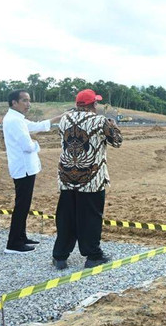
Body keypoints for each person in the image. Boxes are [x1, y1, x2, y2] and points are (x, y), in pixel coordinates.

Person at [52, 89, 123, 270]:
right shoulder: (100, 121)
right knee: (90, 218)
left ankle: (60, 256)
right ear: (93, 104)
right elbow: (117, 141)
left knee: (66, 217)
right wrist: (112, 125)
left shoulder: (64, 119)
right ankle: (93, 255)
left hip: (67, 176)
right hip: (92, 178)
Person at [2, 90, 62, 254]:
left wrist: (57, 118)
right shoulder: (14, 121)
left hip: (24, 168)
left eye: (29, 100)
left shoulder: (17, 119)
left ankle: (21, 236)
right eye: (25, 101)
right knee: (22, 205)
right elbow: (27, 146)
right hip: (24, 168)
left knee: (24, 204)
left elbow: (35, 126)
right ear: (14, 102)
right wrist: (36, 144)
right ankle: (13, 243)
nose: (28, 104)